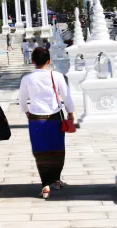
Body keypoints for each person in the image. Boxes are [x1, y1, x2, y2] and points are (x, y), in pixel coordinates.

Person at [18, 47, 75, 199]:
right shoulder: (57, 76)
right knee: (57, 149)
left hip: (35, 119)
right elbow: (66, 96)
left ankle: (45, 184)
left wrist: (26, 111)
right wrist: (70, 112)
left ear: (33, 61)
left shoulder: (27, 78)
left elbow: (22, 99)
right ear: (49, 61)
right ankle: (56, 179)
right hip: (55, 117)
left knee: (40, 151)